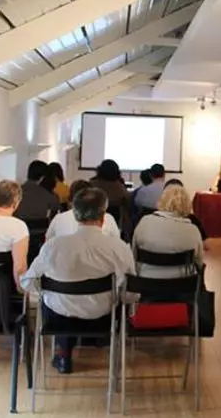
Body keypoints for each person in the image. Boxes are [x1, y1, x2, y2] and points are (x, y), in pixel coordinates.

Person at [20, 187, 135, 374]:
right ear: (103, 216)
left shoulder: (53, 246)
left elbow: (27, 282)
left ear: (75, 215)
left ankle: (63, 353)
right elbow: (132, 292)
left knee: (52, 300)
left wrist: (48, 290)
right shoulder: (119, 247)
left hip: (58, 318)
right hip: (102, 317)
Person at [132, 184, 204, 278]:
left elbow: (134, 254)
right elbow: (199, 263)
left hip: (145, 281)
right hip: (183, 283)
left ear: (162, 200)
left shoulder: (144, 222)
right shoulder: (193, 230)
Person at [46, 180, 120, 240]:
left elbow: (48, 241)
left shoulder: (59, 219)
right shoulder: (108, 218)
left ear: (71, 200)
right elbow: (117, 241)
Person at [90, 159, 131, 236]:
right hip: (116, 221)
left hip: (94, 218)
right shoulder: (119, 186)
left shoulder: (92, 184)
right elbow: (127, 201)